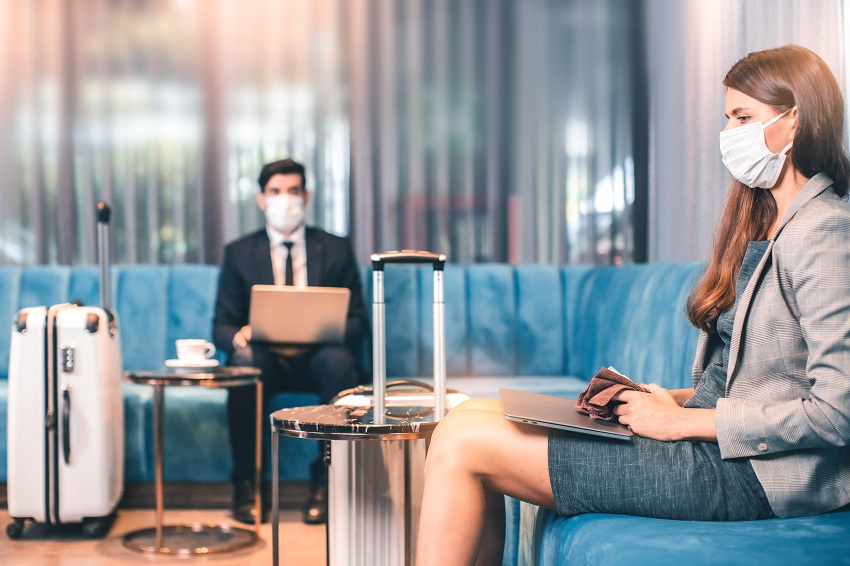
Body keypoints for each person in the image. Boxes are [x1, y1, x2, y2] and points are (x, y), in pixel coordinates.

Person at [416, 44, 850, 565]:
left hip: (756, 476)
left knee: (464, 445)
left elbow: (836, 412)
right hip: (720, 448)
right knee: (464, 419)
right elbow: (758, 380)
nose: (730, 134)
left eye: (743, 117)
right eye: (728, 118)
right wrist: (664, 397)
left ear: (793, 122)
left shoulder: (824, 233)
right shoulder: (774, 224)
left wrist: (679, 424)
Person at [213, 158, 369, 525]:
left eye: (293, 191)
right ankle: (249, 485)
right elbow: (221, 325)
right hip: (266, 360)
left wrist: (329, 326)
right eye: (275, 192)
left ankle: (327, 482)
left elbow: (359, 320)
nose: (285, 199)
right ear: (261, 199)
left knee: (341, 362)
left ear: (307, 196)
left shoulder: (336, 248)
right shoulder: (238, 252)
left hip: (320, 358)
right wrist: (239, 335)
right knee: (244, 365)